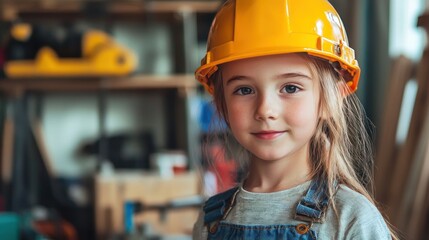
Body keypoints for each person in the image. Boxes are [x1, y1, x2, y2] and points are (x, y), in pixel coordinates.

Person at [193, 0, 398, 239]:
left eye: (290, 88)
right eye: (244, 90)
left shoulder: (350, 218)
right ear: (222, 104)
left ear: (329, 100)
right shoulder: (210, 221)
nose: (265, 110)